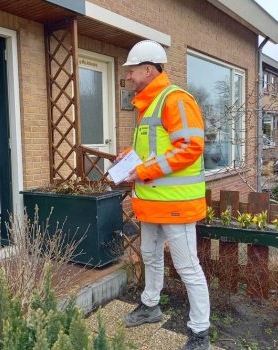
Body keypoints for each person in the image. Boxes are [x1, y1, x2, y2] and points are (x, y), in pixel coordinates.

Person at [119, 40, 210, 350]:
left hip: (176, 205)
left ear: (148, 69)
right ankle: (150, 306)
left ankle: (200, 332)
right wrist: (129, 156)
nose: (128, 76)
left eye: (131, 70)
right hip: (153, 204)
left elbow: (190, 147)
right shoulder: (149, 104)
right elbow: (154, 149)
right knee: (150, 256)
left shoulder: (176, 100)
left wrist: (143, 170)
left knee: (187, 267)